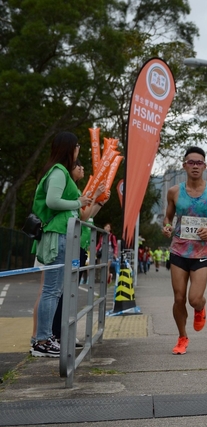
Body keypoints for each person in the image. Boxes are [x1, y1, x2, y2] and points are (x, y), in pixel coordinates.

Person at [30, 132, 92, 357]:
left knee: (53, 290)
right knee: (51, 290)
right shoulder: (58, 171)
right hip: (58, 235)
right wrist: (78, 202)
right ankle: (42, 341)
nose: (78, 150)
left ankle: (45, 338)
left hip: (62, 235)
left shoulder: (59, 171)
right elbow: (52, 201)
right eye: (77, 146)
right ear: (69, 148)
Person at [162, 146, 207, 355]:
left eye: (199, 163)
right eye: (191, 162)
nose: (195, 166)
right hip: (179, 251)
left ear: (205, 166)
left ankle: (200, 307)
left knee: (194, 299)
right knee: (179, 298)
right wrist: (167, 227)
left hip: (201, 252)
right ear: (184, 166)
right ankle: (182, 337)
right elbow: (168, 217)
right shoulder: (174, 192)